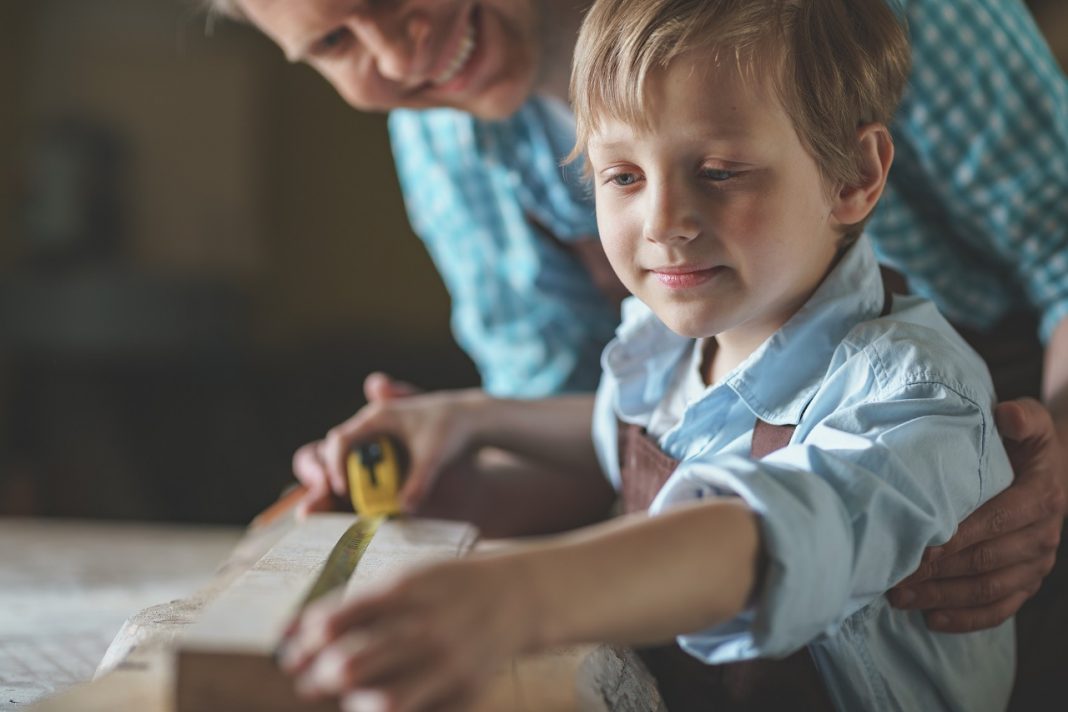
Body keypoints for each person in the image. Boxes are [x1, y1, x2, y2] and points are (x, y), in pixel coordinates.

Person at [213, 0, 1068, 651]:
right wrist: (469, 473)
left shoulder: (905, 392)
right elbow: (628, 447)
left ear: (855, 174)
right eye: (332, 42)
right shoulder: (452, 150)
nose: (401, 55)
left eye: (722, 169)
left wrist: (1047, 460)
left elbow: (788, 526)